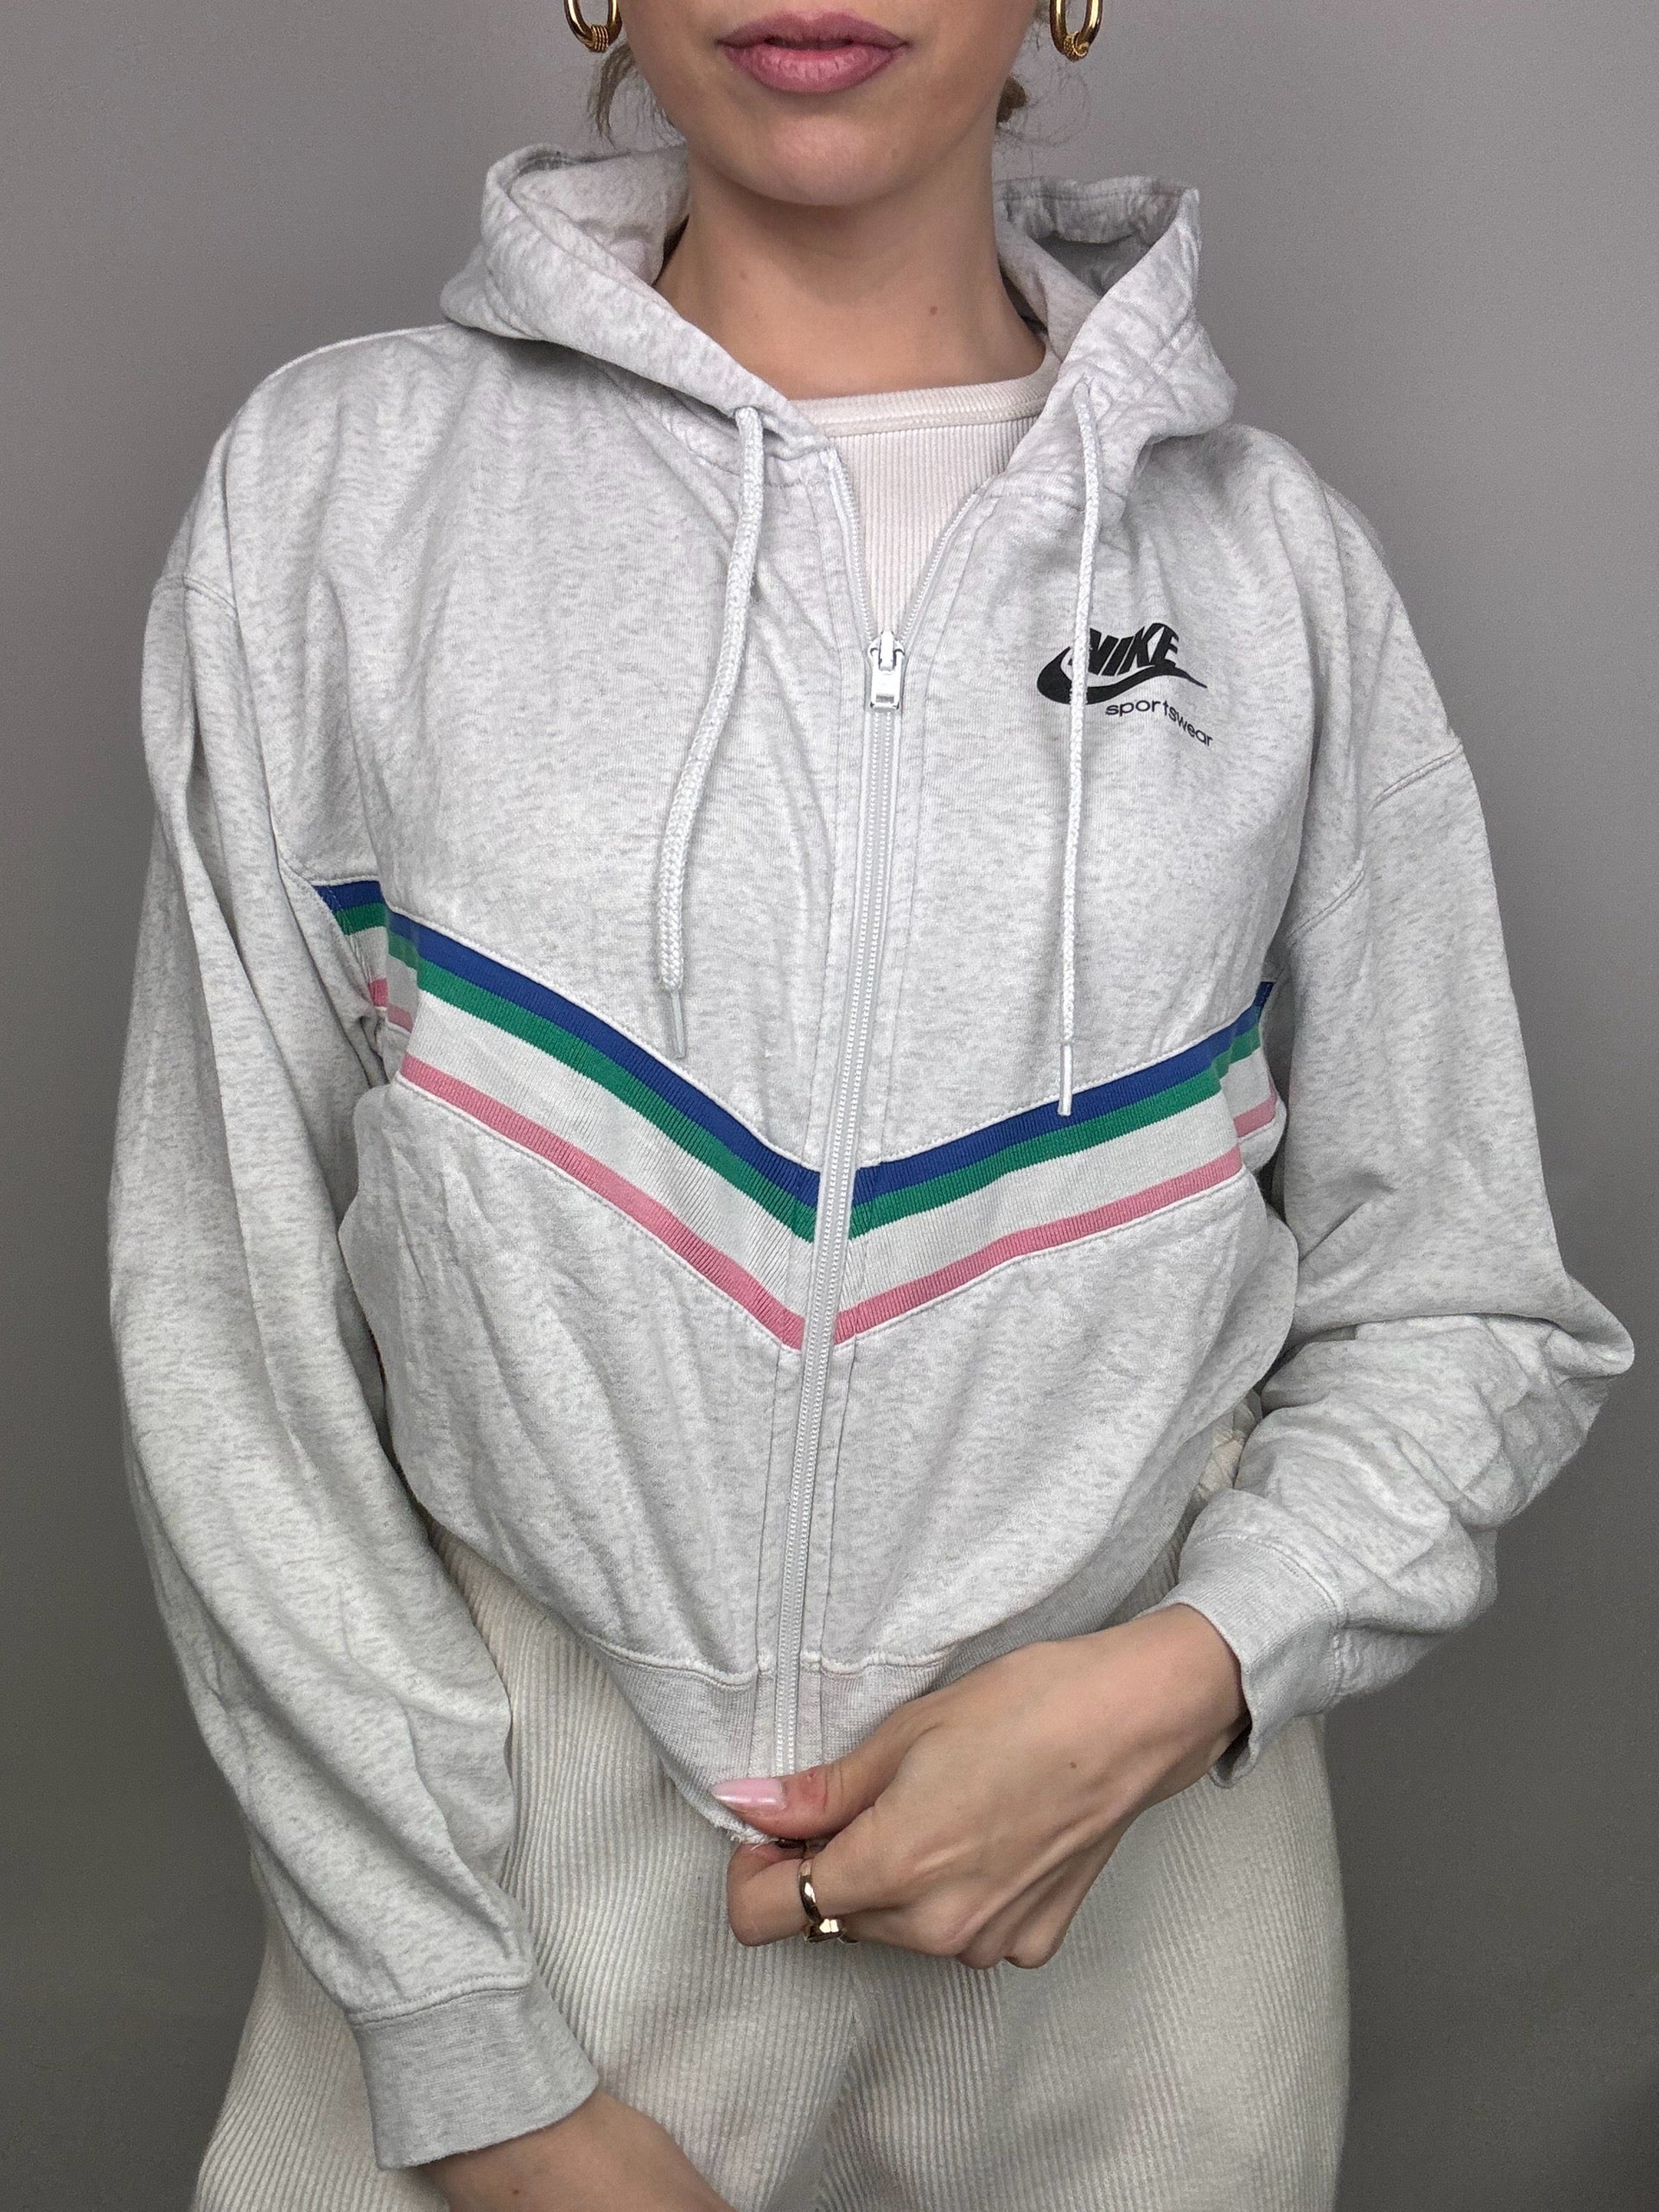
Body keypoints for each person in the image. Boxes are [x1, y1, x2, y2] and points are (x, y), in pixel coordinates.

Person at [108, 3, 1633, 2208]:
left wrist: (1181, 1678)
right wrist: (469, 2050)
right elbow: (227, 1313)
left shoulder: (1267, 568)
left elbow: (1470, 1298)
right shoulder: (343, 492)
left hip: (1133, 1933)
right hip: (499, 1910)